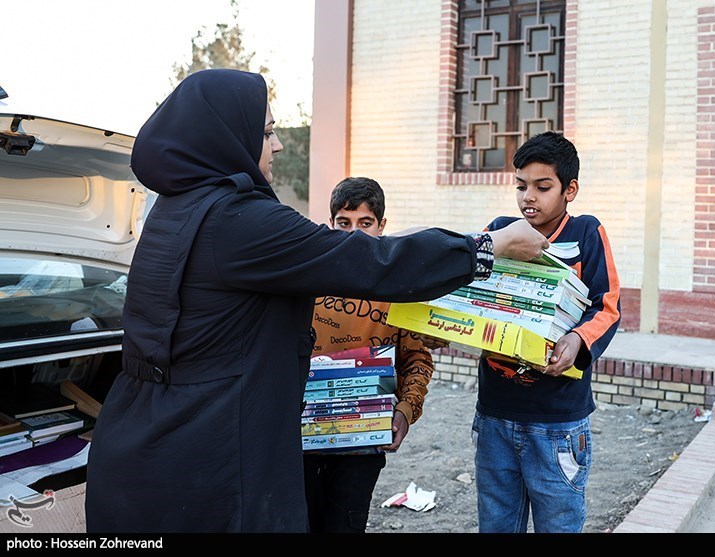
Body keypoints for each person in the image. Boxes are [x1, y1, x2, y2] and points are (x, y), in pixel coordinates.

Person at [83, 68, 551, 533]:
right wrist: (486, 247)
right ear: (229, 138)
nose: (280, 144)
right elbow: (371, 261)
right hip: (209, 456)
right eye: (267, 132)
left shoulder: (176, 208)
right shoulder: (237, 220)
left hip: (148, 444)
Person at [471, 131, 621, 533]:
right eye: (521, 186)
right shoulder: (501, 231)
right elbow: (474, 296)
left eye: (542, 186)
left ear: (569, 189)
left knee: (558, 522)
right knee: (497, 522)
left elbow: (607, 306)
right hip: (495, 413)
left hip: (558, 421)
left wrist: (577, 339)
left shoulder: (586, 232)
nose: (528, 197)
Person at [304, 176, 436, 533]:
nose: (355, 235)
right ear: (330, 224)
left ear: (382, 227)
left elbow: (417, 361)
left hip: (362, 449)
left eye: (365, 224)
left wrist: (406, 411)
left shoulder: (398, 291)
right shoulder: (305, 282)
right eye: (344, 223)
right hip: (300, 446)